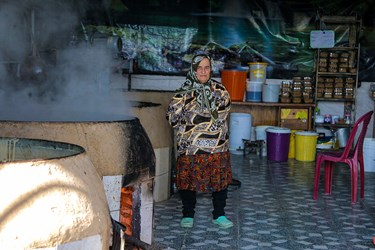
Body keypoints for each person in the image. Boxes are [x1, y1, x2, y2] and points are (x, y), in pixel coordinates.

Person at [166, 54, 233, 229]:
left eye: (206, 67)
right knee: (187, 181)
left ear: (211, 69)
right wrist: (202, 118)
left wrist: (192, 119)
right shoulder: (182, 93)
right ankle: (188, 215)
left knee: (219, 181)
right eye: (199, 68)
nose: (203, 71)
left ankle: (219, 214)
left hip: (216, 145)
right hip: (190, 146)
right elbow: (172, 118)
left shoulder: (220, 90)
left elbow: (221, 115)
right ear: (193, 70)